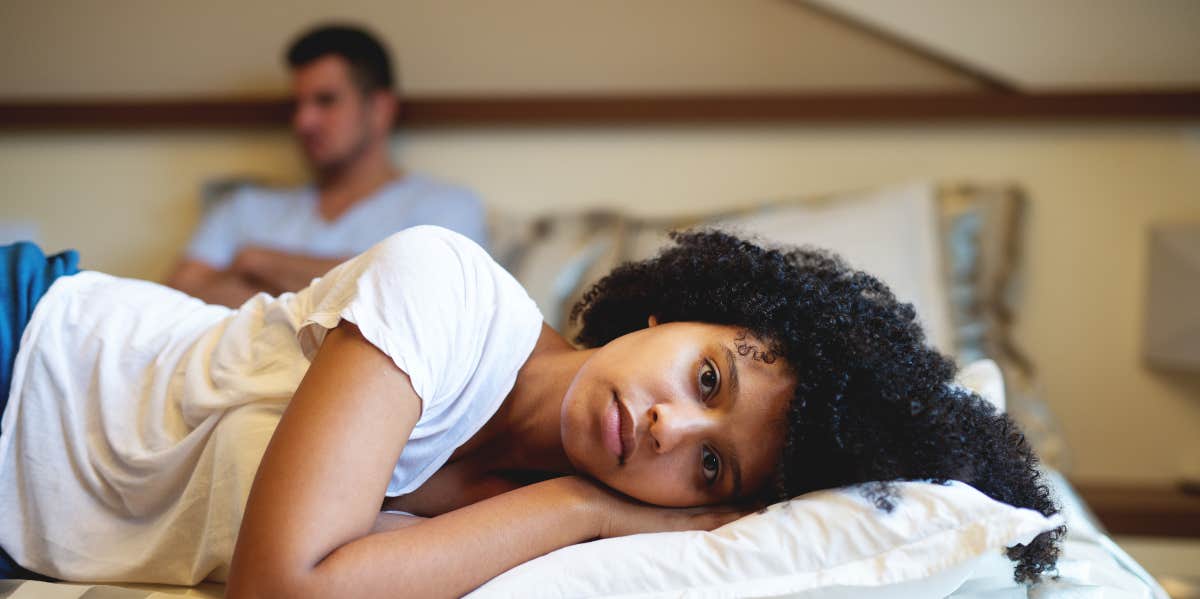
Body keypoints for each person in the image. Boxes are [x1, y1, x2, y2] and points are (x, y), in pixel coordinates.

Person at [0, 226, 1061, 596]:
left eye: (710, 469)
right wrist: (585, 510)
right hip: (22, 354)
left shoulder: (521, 543)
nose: (668, 432)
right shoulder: (446, 291)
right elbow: (283, 586)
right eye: (707, 380)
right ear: (676, 310)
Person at [167, 24, 487, 308]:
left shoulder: (444, 209)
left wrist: (258, 263)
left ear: (380, 109)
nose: (303, 121)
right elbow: (178, 297)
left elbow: (425, 301)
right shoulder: (245, 207)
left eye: (326, 101)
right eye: (297, 105)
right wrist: (350, 298)